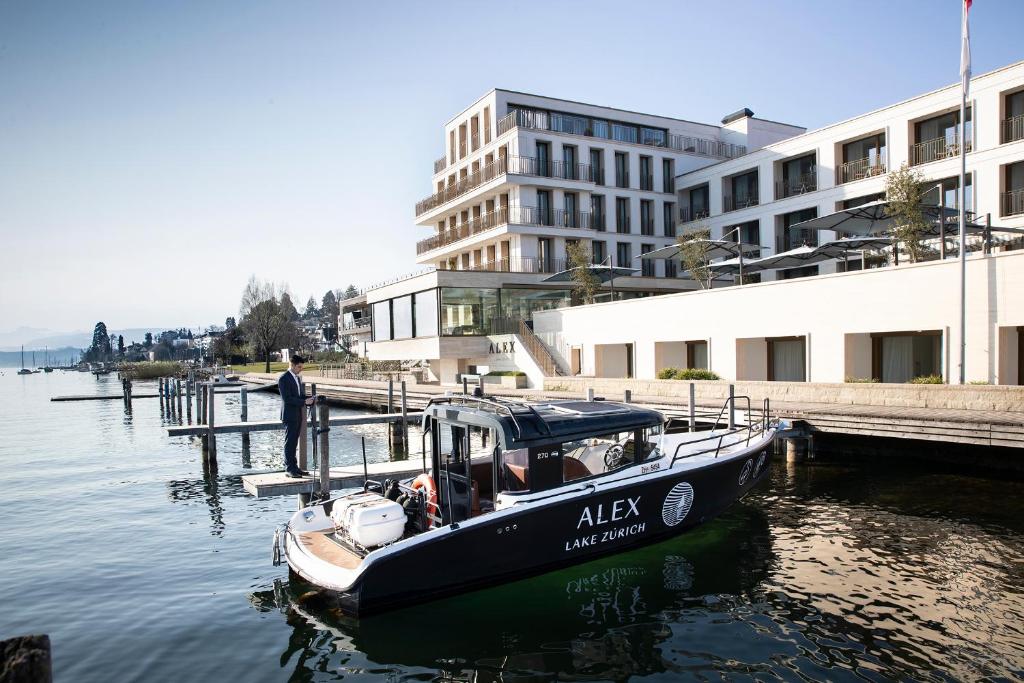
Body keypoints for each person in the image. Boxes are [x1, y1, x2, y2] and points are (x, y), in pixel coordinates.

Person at [279, 354, 314, 478]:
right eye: (299, 367)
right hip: (289, 415)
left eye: (301, 367)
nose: (300, 369)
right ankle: (289, 468)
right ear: (292, 365)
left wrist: (309, 399)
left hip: (297, 415)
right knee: (289, 442)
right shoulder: (283, 378)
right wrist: (304, 402)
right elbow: (287, 399)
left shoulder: (297, 378)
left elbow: (299, 396)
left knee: (294, 442)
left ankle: (294, 467)